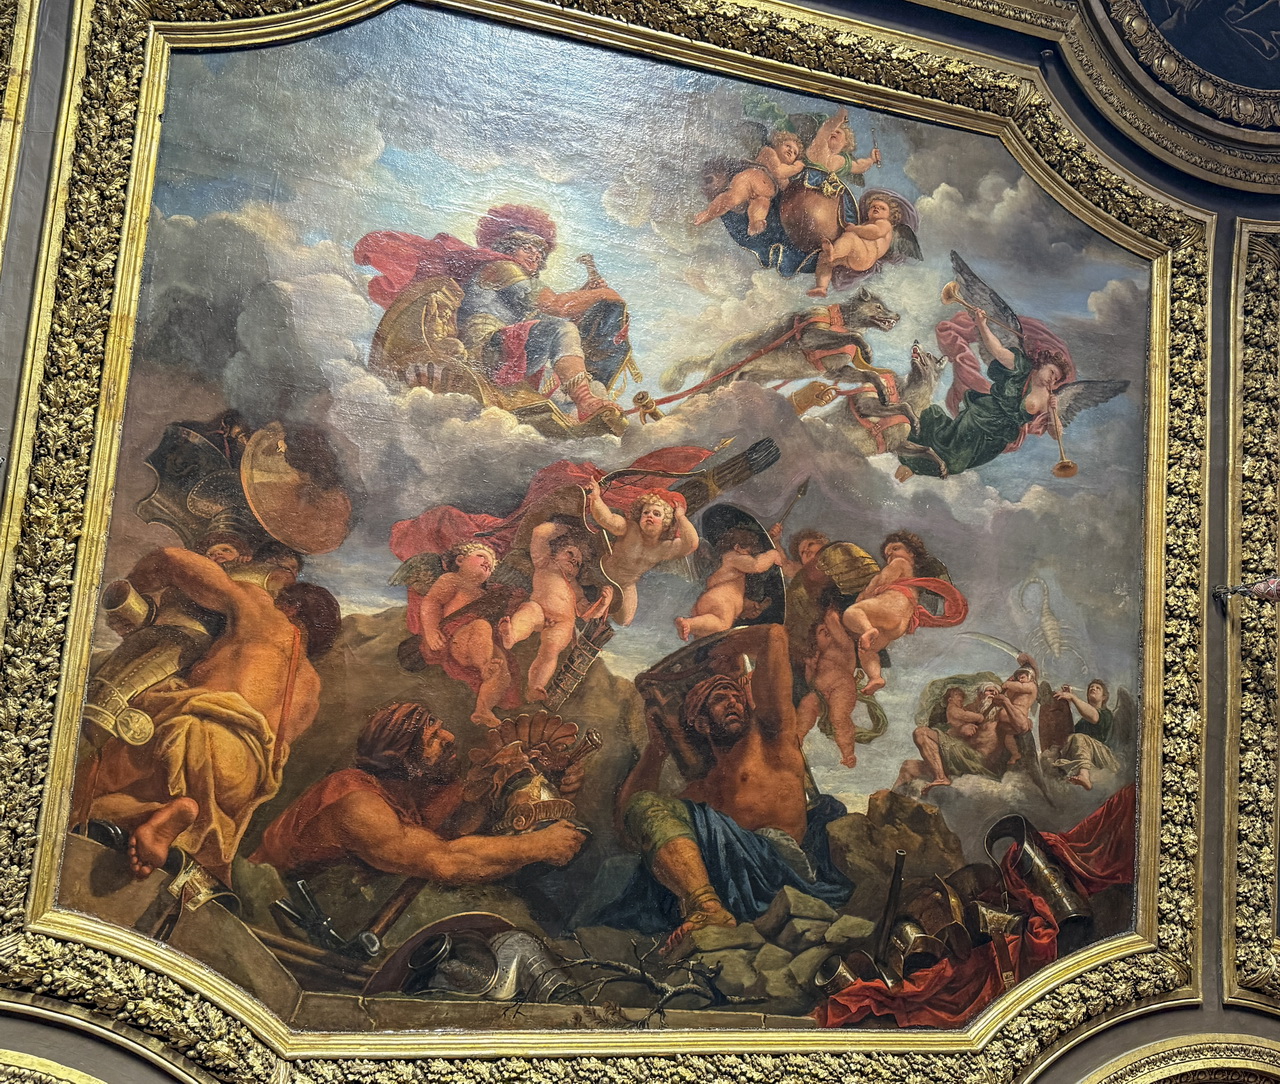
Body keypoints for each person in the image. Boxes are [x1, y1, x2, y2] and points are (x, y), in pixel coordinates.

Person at [76, 547, 337, 885]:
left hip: (198, 733)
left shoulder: (263, 612)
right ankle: (158, 816)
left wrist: (135, 587)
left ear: (291, 606)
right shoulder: (312, 689)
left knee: (81, 793)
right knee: (126, 816)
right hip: (242, 774)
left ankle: (157, 813)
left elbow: (171, 559)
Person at [601, 625, 850, 951]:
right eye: (720, 698)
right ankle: (707, 907)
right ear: (701, 722)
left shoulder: (773, 743)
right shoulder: (700, 791)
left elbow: (774, 635)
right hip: (732, 889)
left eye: (736, 695)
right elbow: (630, 826)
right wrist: (656, 751)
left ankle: (708, 908)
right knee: (646, 806)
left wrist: (726, 648)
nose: (733, 701)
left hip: (777, 871)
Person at [251, 702, 586, 884]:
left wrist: (543, 773)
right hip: (275, 903)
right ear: (402, 759)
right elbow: (446, 861)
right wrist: (537, 845)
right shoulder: (356, 802)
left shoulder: (414, 791)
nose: (450, 737)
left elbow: (474, 814)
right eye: (433, 739)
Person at [895, 307, 1068, 481]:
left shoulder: (1047, 398)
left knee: (958, 464)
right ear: (1042, 363)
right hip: (981, 416)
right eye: (1052, 373)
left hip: (998, 438)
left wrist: (1053, 413)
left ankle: (912, 459)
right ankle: (909, 459)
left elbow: (1056, 434)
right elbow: (997, 349)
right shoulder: (1021, 367)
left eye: (1056, 379)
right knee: (953, 459)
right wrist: (982, 324)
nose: (1052, 380)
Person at [838, 530, 968, 696]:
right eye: (887, 554)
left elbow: (880, 582)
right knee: (868, 650)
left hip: (891, 607)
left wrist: (864, 595)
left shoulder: (900, 563)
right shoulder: (913, 584)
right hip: (900, 625)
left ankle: (868, 630)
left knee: (852, 612)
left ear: (911, 553)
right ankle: (876, 677)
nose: (891, 555)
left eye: (895, 548)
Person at [500, 521, 611, 702]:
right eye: (569, 553)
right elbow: (538, 533)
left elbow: (587, 614)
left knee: (550, 652)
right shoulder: (545, 563)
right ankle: (512, 635)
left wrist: (603, 604)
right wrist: (563, 527)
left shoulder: (576, 588)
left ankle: (535, 687)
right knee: (528, 613)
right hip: (539, 609)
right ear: (555, 554)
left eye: (578, 563)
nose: (574, 560)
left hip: (562, 623)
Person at [416, 540, 513, 728]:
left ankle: (483, 709)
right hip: (455, 638)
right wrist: (431, 630)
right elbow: (432, 602)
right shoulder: (452, 580)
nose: (487, 563)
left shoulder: (484, 596)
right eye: (481, 556)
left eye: (491, 566)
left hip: (479, 643)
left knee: (503, 668)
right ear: (460, 560)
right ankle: (485, 666)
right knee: (481, 626)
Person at [586, 483, 699, 626]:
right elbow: (607, 519)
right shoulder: (629, 528)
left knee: (624, 620)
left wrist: (680, 517)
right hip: (602, 573)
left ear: (666, 523)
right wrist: (595, 497)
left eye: (656, 514)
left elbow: (691, 544)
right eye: (646, 513)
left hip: (625, 585)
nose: (649, 516)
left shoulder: (665, 547)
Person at [894, 684, 1012, 792]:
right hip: (960, 759)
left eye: (997, 692)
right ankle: (889, 800)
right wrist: (960, 729)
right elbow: (949, 733)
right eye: (990, 691)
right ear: (980, 694)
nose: (993, 694)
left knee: (921, 732)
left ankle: (941, 778)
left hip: (980, 762)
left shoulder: (1001, 714)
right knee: (908, 766)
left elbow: (1020, 727)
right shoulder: (970, 709)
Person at [675, 527, 782, 642]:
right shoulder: (733, 557)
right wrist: (772, 555)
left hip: (708, 602)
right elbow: (757, 565)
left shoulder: (728, 568)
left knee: (706, 638)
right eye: (749, 553)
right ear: (737, 547)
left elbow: (735, 593)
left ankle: (692, 626)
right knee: (723, 624)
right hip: (720, 602)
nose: (751, 557)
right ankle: (689, 623)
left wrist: (746, 607)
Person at [693, 132, 805, 236]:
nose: (791, 151)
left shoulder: (785, 178)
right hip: (749, 180)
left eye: (795, 153)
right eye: (788, 146)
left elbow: (787, 190)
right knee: (732, 198)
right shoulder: (769, 152)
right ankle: (708, 213)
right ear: (778, 144)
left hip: (763, 195)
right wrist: (797, 167)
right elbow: (778, 171)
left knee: (761, 207)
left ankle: (754, 224)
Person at [796, 607, 863, 768]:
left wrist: (830, 615)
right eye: (822, 632)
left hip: (842, 689)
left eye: (830, 631)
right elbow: (811, 681)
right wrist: (810, 667)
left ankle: (848, 753)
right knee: (807, 705)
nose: (827, 632)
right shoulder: (818, 655)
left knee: (839, 718)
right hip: (820, 693)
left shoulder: (844, 646)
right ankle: (797, 739)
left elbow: (835, 626)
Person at [807, 196, 899, 298]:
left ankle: (834, 253)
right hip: (855, 258)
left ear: (890, 215)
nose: (876, 208)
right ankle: (821, 287)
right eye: (873, 206)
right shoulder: (865, 224)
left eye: (882, 208)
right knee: (824, 258)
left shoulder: (884, 223)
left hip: (867, 255)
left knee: (850, 237)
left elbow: (875, 232)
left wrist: (854, 229)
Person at [1050, 680, 1120, 790]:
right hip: (1089, 753)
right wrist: (1066, 704)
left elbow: (1093, 716)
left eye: (1098, 688)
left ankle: (1084, 775)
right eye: (1091, 687)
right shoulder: (1082, 722)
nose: (1093, 688)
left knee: (1079, 738)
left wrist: (1073, 697)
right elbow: (1068, 735)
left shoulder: (1106, 714)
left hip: (1103, 756)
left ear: (1104, 697)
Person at [804, 107, 881, 178]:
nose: (833, 133)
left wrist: (872, 160)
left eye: (838, 132)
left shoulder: (840, 160)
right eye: (832, 131)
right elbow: (826, 128)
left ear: (846, 142)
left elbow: (859, 166)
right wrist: (839, 118)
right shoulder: (819, 146)